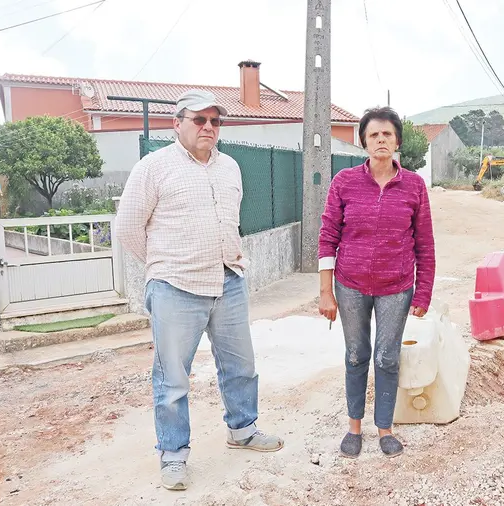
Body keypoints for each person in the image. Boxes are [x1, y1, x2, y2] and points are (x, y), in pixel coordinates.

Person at [115, 89, 283, 491]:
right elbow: (127, 229)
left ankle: (242, 429)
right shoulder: (153, 167)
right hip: (176, 286)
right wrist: (163, 266)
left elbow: (231, 221)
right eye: (199, 120)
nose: (209, 127)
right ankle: (173, 454)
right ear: (177, 124)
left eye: (215, 121)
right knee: (172, 378)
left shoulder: (230, 167)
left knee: (241, 366)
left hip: (228, 280)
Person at [317, 106, 436, 459]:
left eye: (387, 134)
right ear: (364, 142)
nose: (381, 139)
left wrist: (424, 290)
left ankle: (384, 428)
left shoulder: (413, 185)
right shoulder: (345, 183)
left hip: (396, 287)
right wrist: (326, 291)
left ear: (397, 141)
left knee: (386, 357)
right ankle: (354, 426)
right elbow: (327, 237)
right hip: (350, 285)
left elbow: (424, 243)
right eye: (374, 134)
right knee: (356, 355)